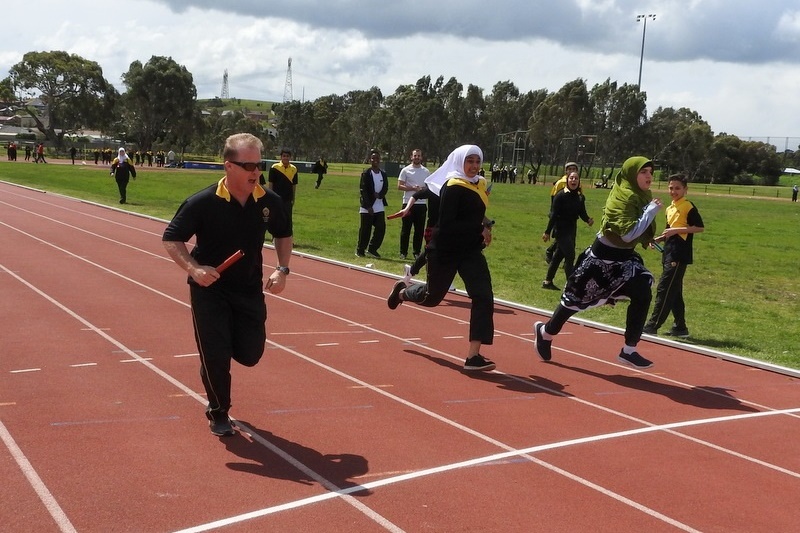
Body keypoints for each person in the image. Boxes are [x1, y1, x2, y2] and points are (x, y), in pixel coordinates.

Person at [162, 133, 293, 437]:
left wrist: (282, 269)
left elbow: (283, 234)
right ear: (228, 167)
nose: (255, 172)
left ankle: (225, 346)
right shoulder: (203, 202)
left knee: (250, 354)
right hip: (210, 290)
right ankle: (218, 410)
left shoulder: (269, 201)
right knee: (215, 354)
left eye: (258, 165)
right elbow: (171, 238)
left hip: (249, 289)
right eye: (248, 166)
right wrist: (194, 269)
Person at [534, 156, 663, 370]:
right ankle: (545, 332)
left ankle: (629, 349)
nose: (649, 176)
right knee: (572, 302)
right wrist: (650, 212)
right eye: (643, 172)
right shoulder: (621, 198)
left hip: (624, 262)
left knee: (642, 291)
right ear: (631, 174)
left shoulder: (642, 196)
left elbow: (638, 233)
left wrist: (649, 237)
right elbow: (629, 233)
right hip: (600, 260)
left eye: (651, 171)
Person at [387, 144, 497, 372]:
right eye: (470, 161)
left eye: (478, 161)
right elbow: (447, 224)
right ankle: (402, 292)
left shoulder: (481, 184)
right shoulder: (453, 186)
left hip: (470, 251)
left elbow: (474, 214)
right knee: (431, 298)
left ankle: (473, 356)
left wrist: (486, 224)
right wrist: (479, 228)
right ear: (459, 161)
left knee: (484, 296)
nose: (474, 166)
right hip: (445, 250)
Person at [643, 174, 704, 337]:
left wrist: (678, 230)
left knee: (664, 289)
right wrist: (660, 238)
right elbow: (670, 230)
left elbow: (699, 227)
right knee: (674, 291)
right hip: (668, 252)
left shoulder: (688, 206)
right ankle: (680, 327)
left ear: (685, 189)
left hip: (679, 254)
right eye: (671, 188)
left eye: (677, 188)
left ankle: (652, 325)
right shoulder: (670, 208)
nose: (674, 191)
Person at [541, 171, 594, 290]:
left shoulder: (580, 197)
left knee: (558, 256)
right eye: (571, 178)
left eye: (576, 178)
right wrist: (547, 232)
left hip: (572, 230)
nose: (574, 180)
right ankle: (571, 286)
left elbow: (582, 212)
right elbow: (553, 215)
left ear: (579, 181)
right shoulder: (560, 196)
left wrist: (588, 220)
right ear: (567, 180)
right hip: (561, 230)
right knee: (570, 256)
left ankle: (547, 282)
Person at [397, 148, 430, 259]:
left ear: (421, 157)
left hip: (421, 204)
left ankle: (416, 252)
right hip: (407, 203)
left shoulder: (426, 171)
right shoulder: (405, 170)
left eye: (419, 156)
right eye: (415, 155)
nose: (417, 157)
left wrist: (422, 190)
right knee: (406, 229)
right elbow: (399, 186)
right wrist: (412, 188)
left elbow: (429, 187)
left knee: (419, 230)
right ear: (411, 157)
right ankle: (403, 252)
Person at [544, 162, 579, 264]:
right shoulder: (560, 183)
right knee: (561, 237)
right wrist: (552, 213)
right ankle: (553, 253)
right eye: (570, 169)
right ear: (566, 171)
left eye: (574, 169)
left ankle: (564, 259)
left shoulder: (577, 182)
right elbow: (554, 199)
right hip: (559, 216)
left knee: (571, 238)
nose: (572, 171)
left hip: (571, 217)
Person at [356, 150, 388, 258]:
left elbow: (385, 187)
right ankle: (360, 250)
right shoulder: (366, 173)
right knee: (365, 229)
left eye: (377, 158)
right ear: (370, 160)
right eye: (373, 158)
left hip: (379, 206)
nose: (375, 160)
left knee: (381, 228)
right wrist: (368, 206)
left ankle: (372, 249)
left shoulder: (383, 173)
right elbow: (363, 190)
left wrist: (380, 195)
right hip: (367, 206)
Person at [266, 148, 298, 231]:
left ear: (290, 157)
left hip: (288, 198)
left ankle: (289, 238)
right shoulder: (274, 167)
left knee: (288, 218)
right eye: (284, 156)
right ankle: (274, 237)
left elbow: (294, 185)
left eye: (287, 156)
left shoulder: (294, 169)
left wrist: (293, 198)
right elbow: (271, 183)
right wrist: (271, 197)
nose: (285, 158)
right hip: (277, 197)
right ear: (281, 157)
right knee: (276, 217)